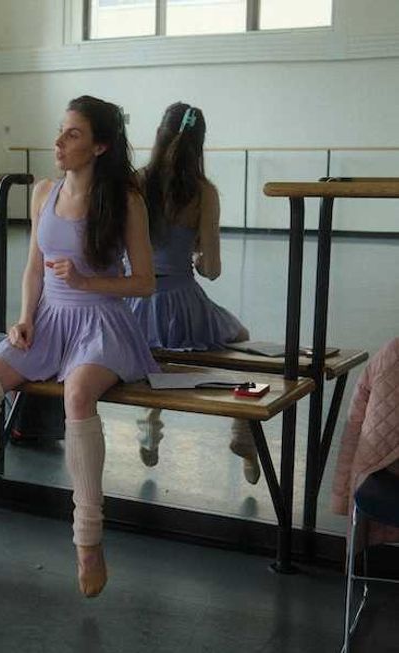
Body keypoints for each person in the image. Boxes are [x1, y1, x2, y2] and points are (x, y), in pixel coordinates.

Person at [0, 96, 158, 598]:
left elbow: (145, 283)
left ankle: (88, 540)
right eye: (60, 132)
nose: (59, 143)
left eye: (73, 135)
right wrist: (23, 320)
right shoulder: (44, 191)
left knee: (78, 395)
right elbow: (32, 268)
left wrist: (88, 283)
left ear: (100, 145)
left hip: (101, 322)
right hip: (48, 321)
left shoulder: (125, 200)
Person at [126, 103, 258, 484]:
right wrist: (196, 254)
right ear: (199, 144)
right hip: (182, 304)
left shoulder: (136, 182)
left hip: (133, 303)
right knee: (242, 341)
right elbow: (212, 270)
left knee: (154, 353)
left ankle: (150, 417)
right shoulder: (203, 193)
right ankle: (243, 430)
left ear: (158, 135)